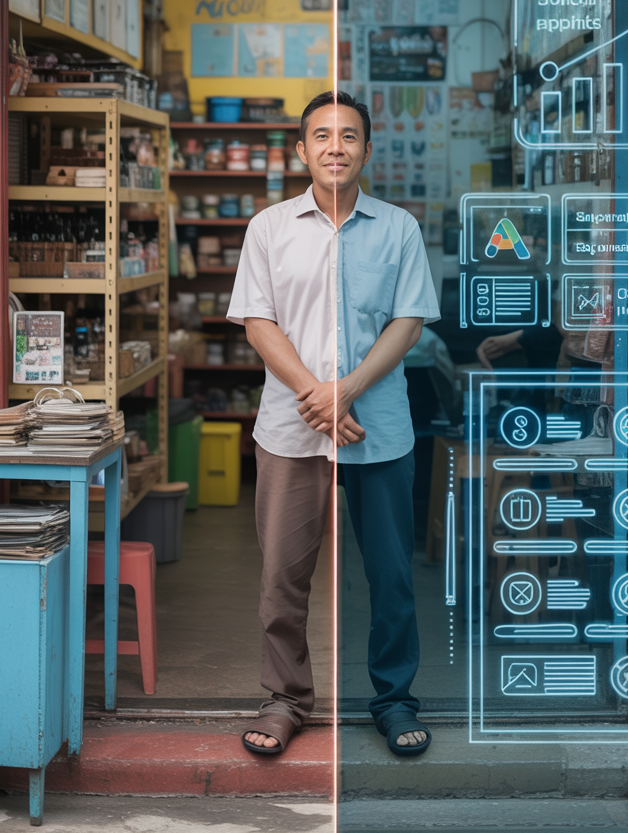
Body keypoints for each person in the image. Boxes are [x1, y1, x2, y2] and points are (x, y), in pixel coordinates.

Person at [227, 89, 440, 758]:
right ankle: (286, 699)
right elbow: (258, 322)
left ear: (366, 150)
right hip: (291, 431)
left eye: (349, 136)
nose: (335, 147)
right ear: (302, 149)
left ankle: (394, 698)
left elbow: (408, 321)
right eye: (322, 136)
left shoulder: (398, 228)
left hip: (377, 429)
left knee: (392, 577)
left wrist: (344, 392)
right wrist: (315, 397)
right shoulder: (268, 228)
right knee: (282, 577)